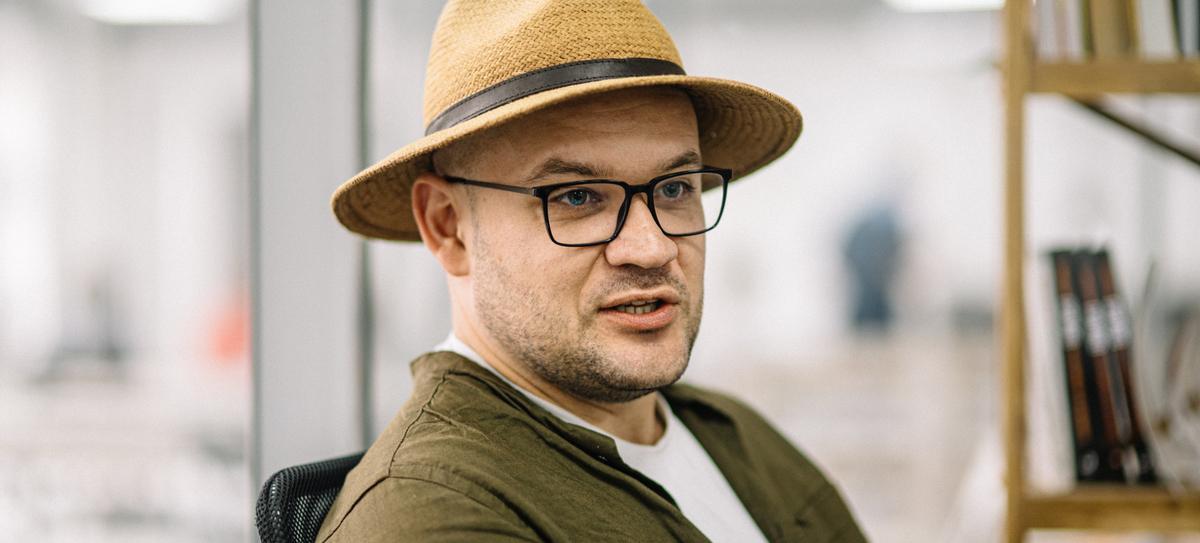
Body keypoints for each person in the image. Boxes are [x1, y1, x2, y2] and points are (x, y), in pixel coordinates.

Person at [317, 0, 865, 541]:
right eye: (577, 197)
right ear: (448, 226)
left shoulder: (736, 438)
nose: (651, 248)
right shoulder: (432, 511)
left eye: (675, 188)